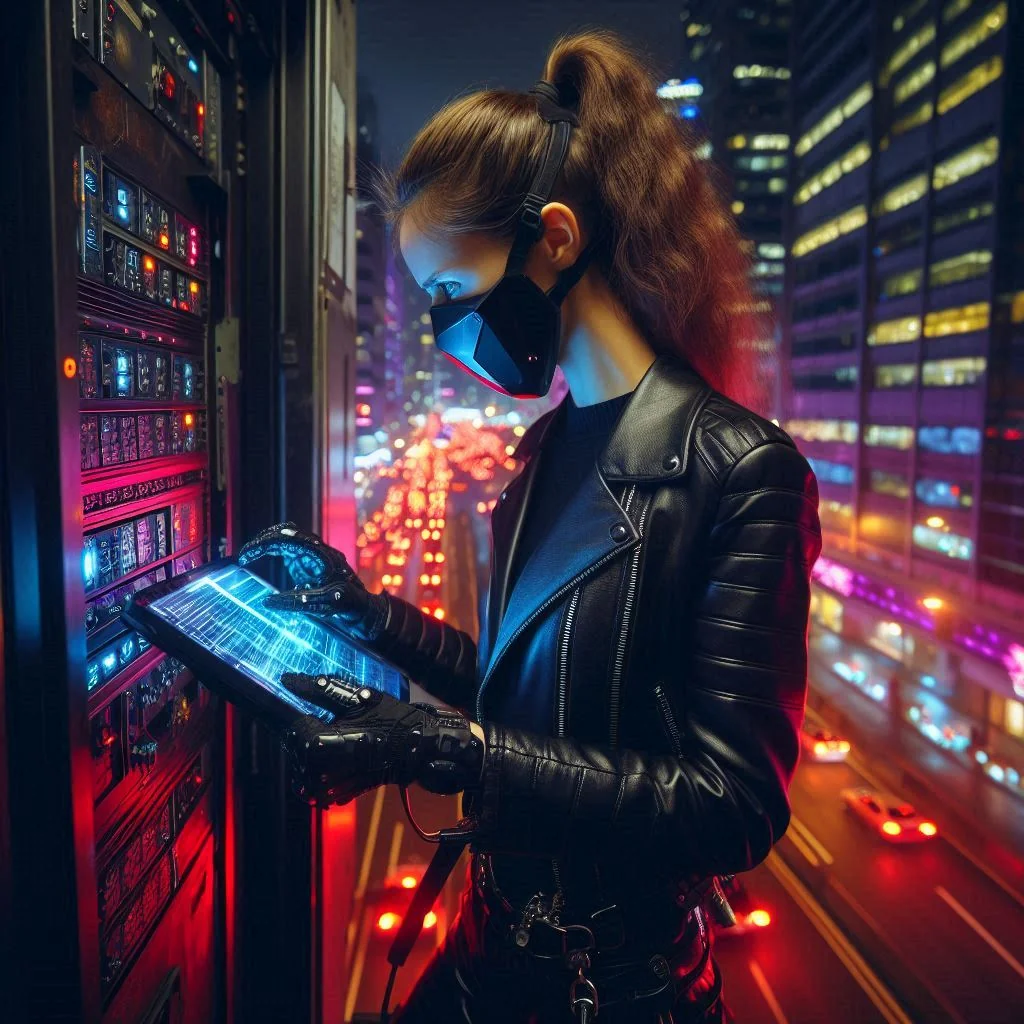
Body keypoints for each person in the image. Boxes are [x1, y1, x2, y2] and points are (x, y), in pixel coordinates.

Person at [239, 30, 821, 1024]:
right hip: (488, 953)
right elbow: (526, 695)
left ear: (553, 238)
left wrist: (456, 753)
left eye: (451, 297)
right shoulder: (541, 456)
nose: (446, 335)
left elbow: (733, 804)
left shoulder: (741, 470)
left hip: (616, 989)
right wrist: (366, 614)